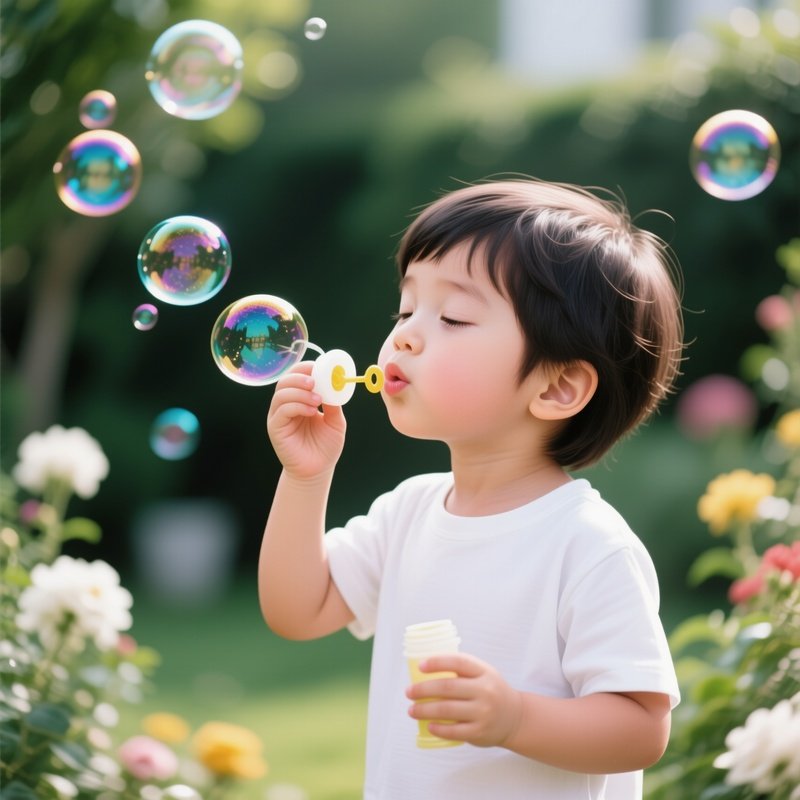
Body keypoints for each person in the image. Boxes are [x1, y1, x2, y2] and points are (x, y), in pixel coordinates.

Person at [259, 177, 684, 799]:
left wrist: (514, 717)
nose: (404, 334)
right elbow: (297, 610)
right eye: (406, 309)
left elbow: (642, 728)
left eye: (452, 316)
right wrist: (305, 475)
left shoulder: (587, 546)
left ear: (557, 388)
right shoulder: (409, 513)